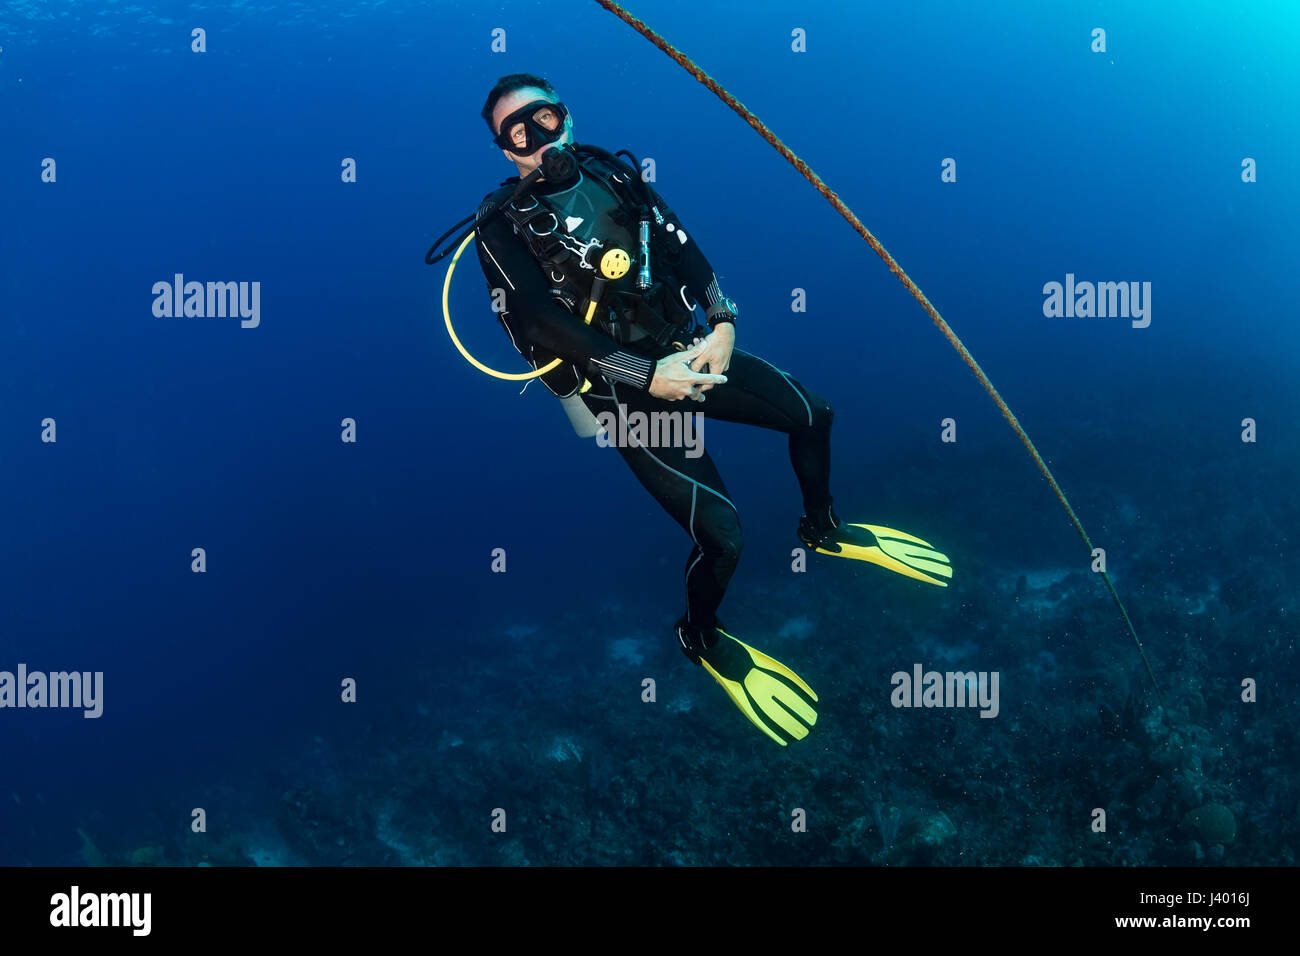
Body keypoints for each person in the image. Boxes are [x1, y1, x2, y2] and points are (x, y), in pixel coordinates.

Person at [471, 74, 951, 745]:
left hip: (687, 352)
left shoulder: (613, 171)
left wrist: (722, 320)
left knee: (814, 415)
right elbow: (542, 325)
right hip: (623, 393)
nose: (537, 139)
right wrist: (645, 377)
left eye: (544, 119)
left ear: (567, 117)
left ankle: (823, 529)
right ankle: (698, 635)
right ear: (505, 151)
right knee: (724, 536)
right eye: (518, 133)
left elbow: (680, 245)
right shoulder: (499, 228)